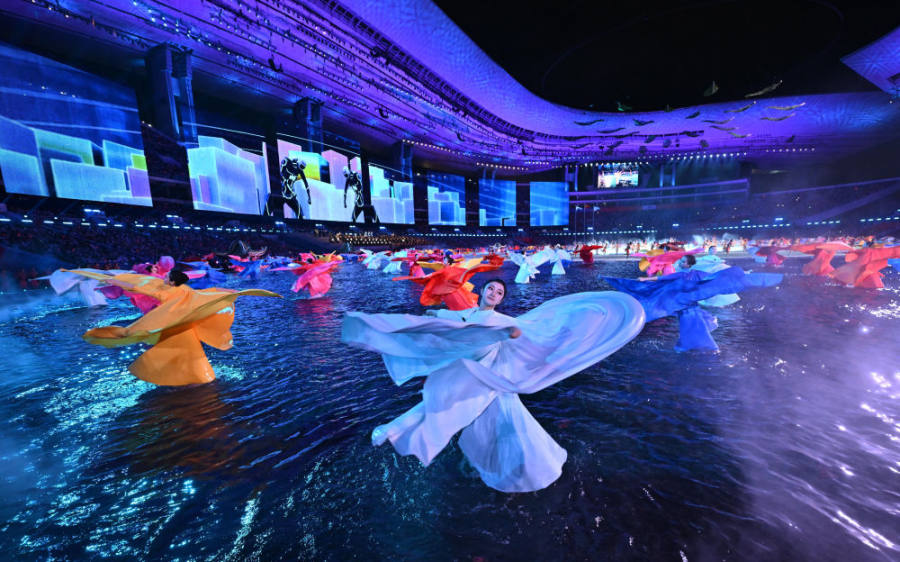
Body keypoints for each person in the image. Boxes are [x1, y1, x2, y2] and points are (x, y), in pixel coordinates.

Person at [342, 279, 645, 492]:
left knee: (451, 407)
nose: (494, 293)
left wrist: (514, 333)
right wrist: (429, 314)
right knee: (479, 418)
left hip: (486, 380)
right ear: (483, 292)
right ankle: (503, 467)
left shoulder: (503, 320)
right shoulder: (469, 313)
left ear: (501, 299)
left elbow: (525, 333)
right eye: (491, 289)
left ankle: (392, 431)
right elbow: (446, 319)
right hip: (470, 374)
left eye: (499, 292)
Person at [78, 270, 280, 386]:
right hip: (184, 327)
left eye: (166, 277)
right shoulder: (188, 290)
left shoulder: (167, 292)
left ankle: (187, 380)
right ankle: (199, 379)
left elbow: (138, 287)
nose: (164, 279)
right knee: (189, 354)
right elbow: (212, 292)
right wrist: (239, 292)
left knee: (175, 353)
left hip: (173, 328)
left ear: (172, 281)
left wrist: (113, 280)